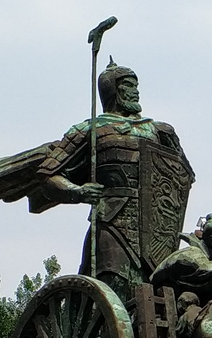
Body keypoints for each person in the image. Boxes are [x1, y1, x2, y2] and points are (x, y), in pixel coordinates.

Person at [36, 60, 194, 301]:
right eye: (128, 85)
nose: (135, 91)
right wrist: (77, 192)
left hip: (156, 228)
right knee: (113, 286)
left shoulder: (159, 131)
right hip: (113, 220)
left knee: (160, 294)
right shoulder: (90, 130)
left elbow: (182, 176)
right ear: (112, 90)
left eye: (136, 86)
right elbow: (48, 176)